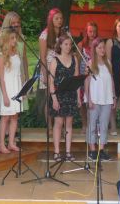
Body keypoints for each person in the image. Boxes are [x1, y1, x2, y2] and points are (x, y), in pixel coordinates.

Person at [48, 34, 80, 162]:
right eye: (65, 44)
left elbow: (77, 80)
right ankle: (56, 152)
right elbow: (51, 82)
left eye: (69, 44)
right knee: (58, 123)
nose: (68, 47)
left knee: (69, 124)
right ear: (60, 45)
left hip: (71, 95)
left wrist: (78, 97)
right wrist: (54, 99)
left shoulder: (74, 59)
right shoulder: (55, 61)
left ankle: (68, 151)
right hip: (58, 95)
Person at [85, 38, 116, 161]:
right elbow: (86, 82)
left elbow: (111, 81)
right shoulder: (90, 63)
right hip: (95, 99)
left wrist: (113, 96)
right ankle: (92, 150)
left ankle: (101, 149)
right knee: (92, 125)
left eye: (103, 47)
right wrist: (89, 99)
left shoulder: (108, 62)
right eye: (99, 48)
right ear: (95, 49)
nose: (102, 50)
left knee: (104, 126)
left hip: (106, 98)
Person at [0, 11, 29, 111]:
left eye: (18, 22)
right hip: (8, 76)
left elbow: (25, 60)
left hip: (20, 75)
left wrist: (26, 77)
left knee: (16, 110)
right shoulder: (0, 37)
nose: (16, 25)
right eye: (13, 23)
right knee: (8, 112)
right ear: (7, 23)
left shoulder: (21, 37)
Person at [0, 28, 22, 153]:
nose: (14, 40)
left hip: (16, 87)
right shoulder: (1, 56)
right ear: (6, 40)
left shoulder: (16, 53)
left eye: (15, 38)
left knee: (14, 116)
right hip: (6, 88)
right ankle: (2, 144)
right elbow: (1, 78)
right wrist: (5, 95)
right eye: (12, 38)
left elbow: (19, 73)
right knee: (5, 117)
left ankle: (11, 142)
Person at [38, 8, 63, 130]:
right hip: (48, 69)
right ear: (51, 20)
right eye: (56, 18)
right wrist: (45, 74)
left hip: (60, 69)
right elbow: (42, 57)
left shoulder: (63, 34)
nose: (59, 21)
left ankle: (59, 127)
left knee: (60, 97)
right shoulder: (45, 34)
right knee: (50, 98)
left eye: (60, 18)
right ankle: (49, 127)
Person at [106, 18, 120, 135]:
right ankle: (113, 126)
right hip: (114, 73)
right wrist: (110, 75)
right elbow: (108, 60)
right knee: (112, 100)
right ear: (115, 27)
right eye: (119, 26)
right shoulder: (110, 42)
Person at [78, 21, 98, 134]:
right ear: (86, 32)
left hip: (95, 77)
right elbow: (78, 60)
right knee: (84, 101)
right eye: (90, 31)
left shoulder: (98, 44)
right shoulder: (81, 44)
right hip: (84, 76)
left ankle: (93, 124)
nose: (92, 33)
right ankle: (84, 124)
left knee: (94, 101)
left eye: (94, 31)